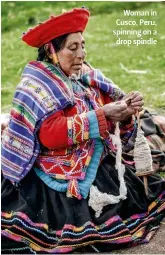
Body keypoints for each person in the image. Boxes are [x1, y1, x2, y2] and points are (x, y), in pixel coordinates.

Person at [1, 7, 165, 254]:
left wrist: (125, 110)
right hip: (52, 168)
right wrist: (104, 115)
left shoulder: (84, 76)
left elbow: (103, 108)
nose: (81, 54)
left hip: (88, 156)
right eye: (73, 48)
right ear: (51, 50)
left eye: (83, 45)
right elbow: (49, 135)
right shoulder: (37, 84)